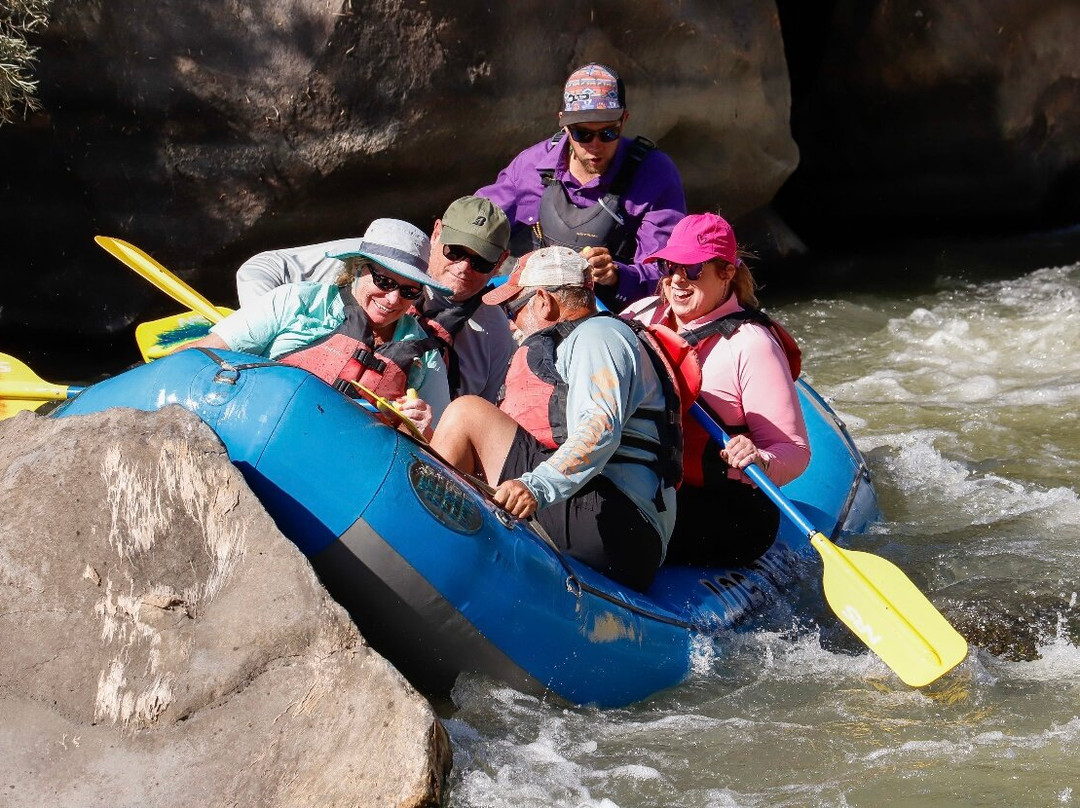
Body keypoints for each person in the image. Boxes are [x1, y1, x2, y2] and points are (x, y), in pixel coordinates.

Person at [429, 246, 682, 592]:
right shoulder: (583, 341)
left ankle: (423, 542)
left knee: (466, 414)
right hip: (614, 523)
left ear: (544, 301)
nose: (509, 320)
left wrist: (535, 486)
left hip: (616, 525)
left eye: (513, 308)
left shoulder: (597, 337)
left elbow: (600, 429)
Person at [623, 212, 811, 567]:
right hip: (646, 482)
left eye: (693, 270)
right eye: (670, 266)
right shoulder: (640, 316)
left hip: (723, 506)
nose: (678, 280)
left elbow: (794, 450)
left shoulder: (751, 345)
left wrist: (759, 459)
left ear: (726, 272)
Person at [183, 219, 453, 438]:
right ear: (357, 268)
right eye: (383, 281)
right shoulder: (296, 301)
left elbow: (436, 446)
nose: (394, 300)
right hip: (263, 432)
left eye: (409, 291)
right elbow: (202, 354)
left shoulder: (425, 356)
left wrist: (418, 428)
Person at [234, 196, 515, 403]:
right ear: (437, 232)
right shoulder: (374, 259)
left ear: (501, 262)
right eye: (454, 252)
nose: (464, 267)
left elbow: (475, 410)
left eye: (480, 261)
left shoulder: (496, 333)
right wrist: (260, 328)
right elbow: (260, 267)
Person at [476, 63, 686, 312]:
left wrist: (617, 275)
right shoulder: (531, 166)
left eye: (608, 133)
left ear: (624, 120)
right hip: (538, 306)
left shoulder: (655, 173)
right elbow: (477, 222)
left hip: (616, 316)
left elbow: (668, 272)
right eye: (583, 134)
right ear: (564, 124)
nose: (595, 145)